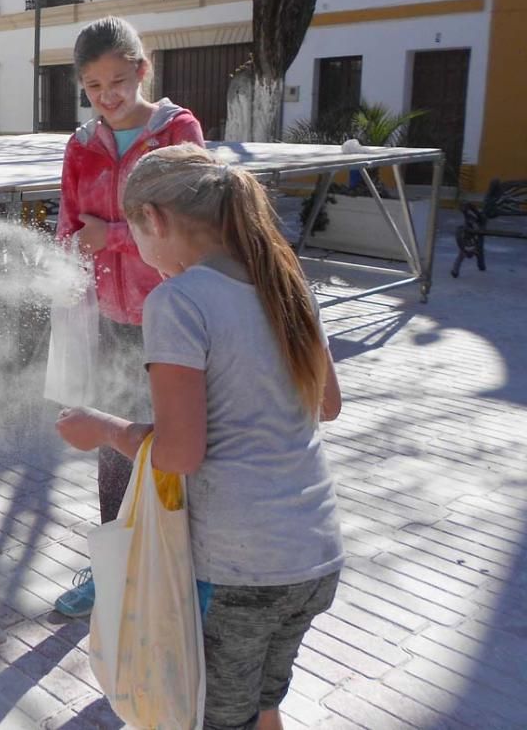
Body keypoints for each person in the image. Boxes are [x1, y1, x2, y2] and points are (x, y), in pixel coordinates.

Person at [57, 144, 344, 730]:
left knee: (211, 717)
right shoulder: (285, 283)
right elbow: (328, 405)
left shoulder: (179, 302)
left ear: (153, 221)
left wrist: (106, 429)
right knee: (261, 707)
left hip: (240, 571)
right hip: (314, 555)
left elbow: (180, 454)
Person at [53, 15, 205, 618]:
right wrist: (67, 269)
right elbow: (69, 223)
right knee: (115, 445)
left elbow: (190, 220)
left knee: (176, 446)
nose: (107, 95)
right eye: (93, 85)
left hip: (174, 320)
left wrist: (110, 235)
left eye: (118, 79)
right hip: (113, 321)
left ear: (142, 71)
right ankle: (112, 563)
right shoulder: (80, 145)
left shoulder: (177, 131)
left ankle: (180, 568)